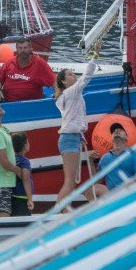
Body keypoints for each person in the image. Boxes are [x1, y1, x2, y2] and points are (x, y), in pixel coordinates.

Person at [53, 57, 97, 209]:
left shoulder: (69, 96)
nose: (74, 76)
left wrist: (81, 136)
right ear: (64, 82)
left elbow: (73, 119)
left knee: (70, 182)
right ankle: (57, 212)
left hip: (70, 138)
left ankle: (64, 211)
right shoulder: (71, 92)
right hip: (69, 139)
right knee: (70, 182)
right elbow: (86, 77)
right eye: (71, 74)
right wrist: (95, 58)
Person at [0, 38, 55, 103]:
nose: (23, 51)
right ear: (17, 50)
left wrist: (57, 93)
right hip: (9, 103)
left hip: (32, 104)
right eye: (20, 48)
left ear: (31, 49)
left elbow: (54, 81)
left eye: (25, 48)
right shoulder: (9, 63)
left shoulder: (40, 63)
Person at [10, 132, 34, 216]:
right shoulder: (24, 161)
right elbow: (25, 179)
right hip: (22, 198)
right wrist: (30, 199)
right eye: (27, 142)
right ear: (25, 146)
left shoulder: (12, 160)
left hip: (13, 197)